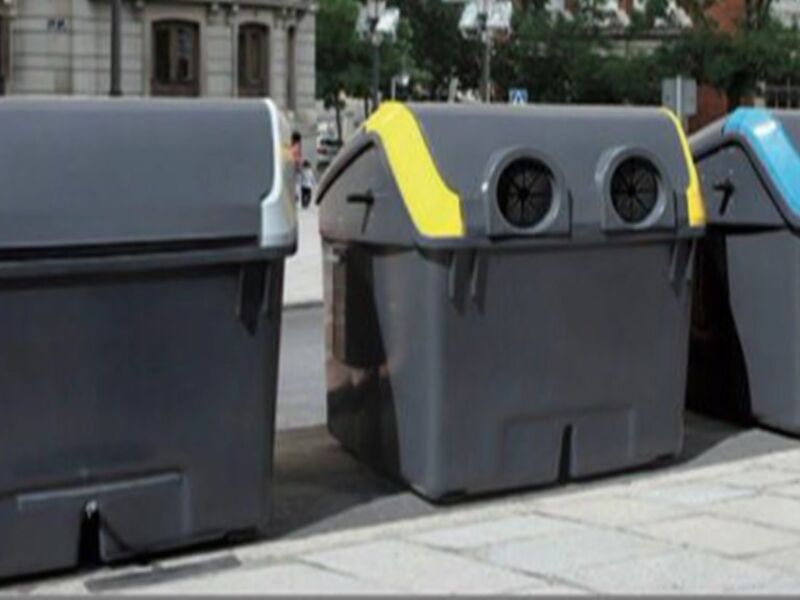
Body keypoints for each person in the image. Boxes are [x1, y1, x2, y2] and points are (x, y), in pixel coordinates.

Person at [290, 131, 303, 203]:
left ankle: (295, 195)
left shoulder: (295, 146)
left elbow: (298, 157)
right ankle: (295, 195)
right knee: (295, 181)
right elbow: (297, 157)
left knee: (295, 181)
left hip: (294, 166)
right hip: (294, 166)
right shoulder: (296, 146)